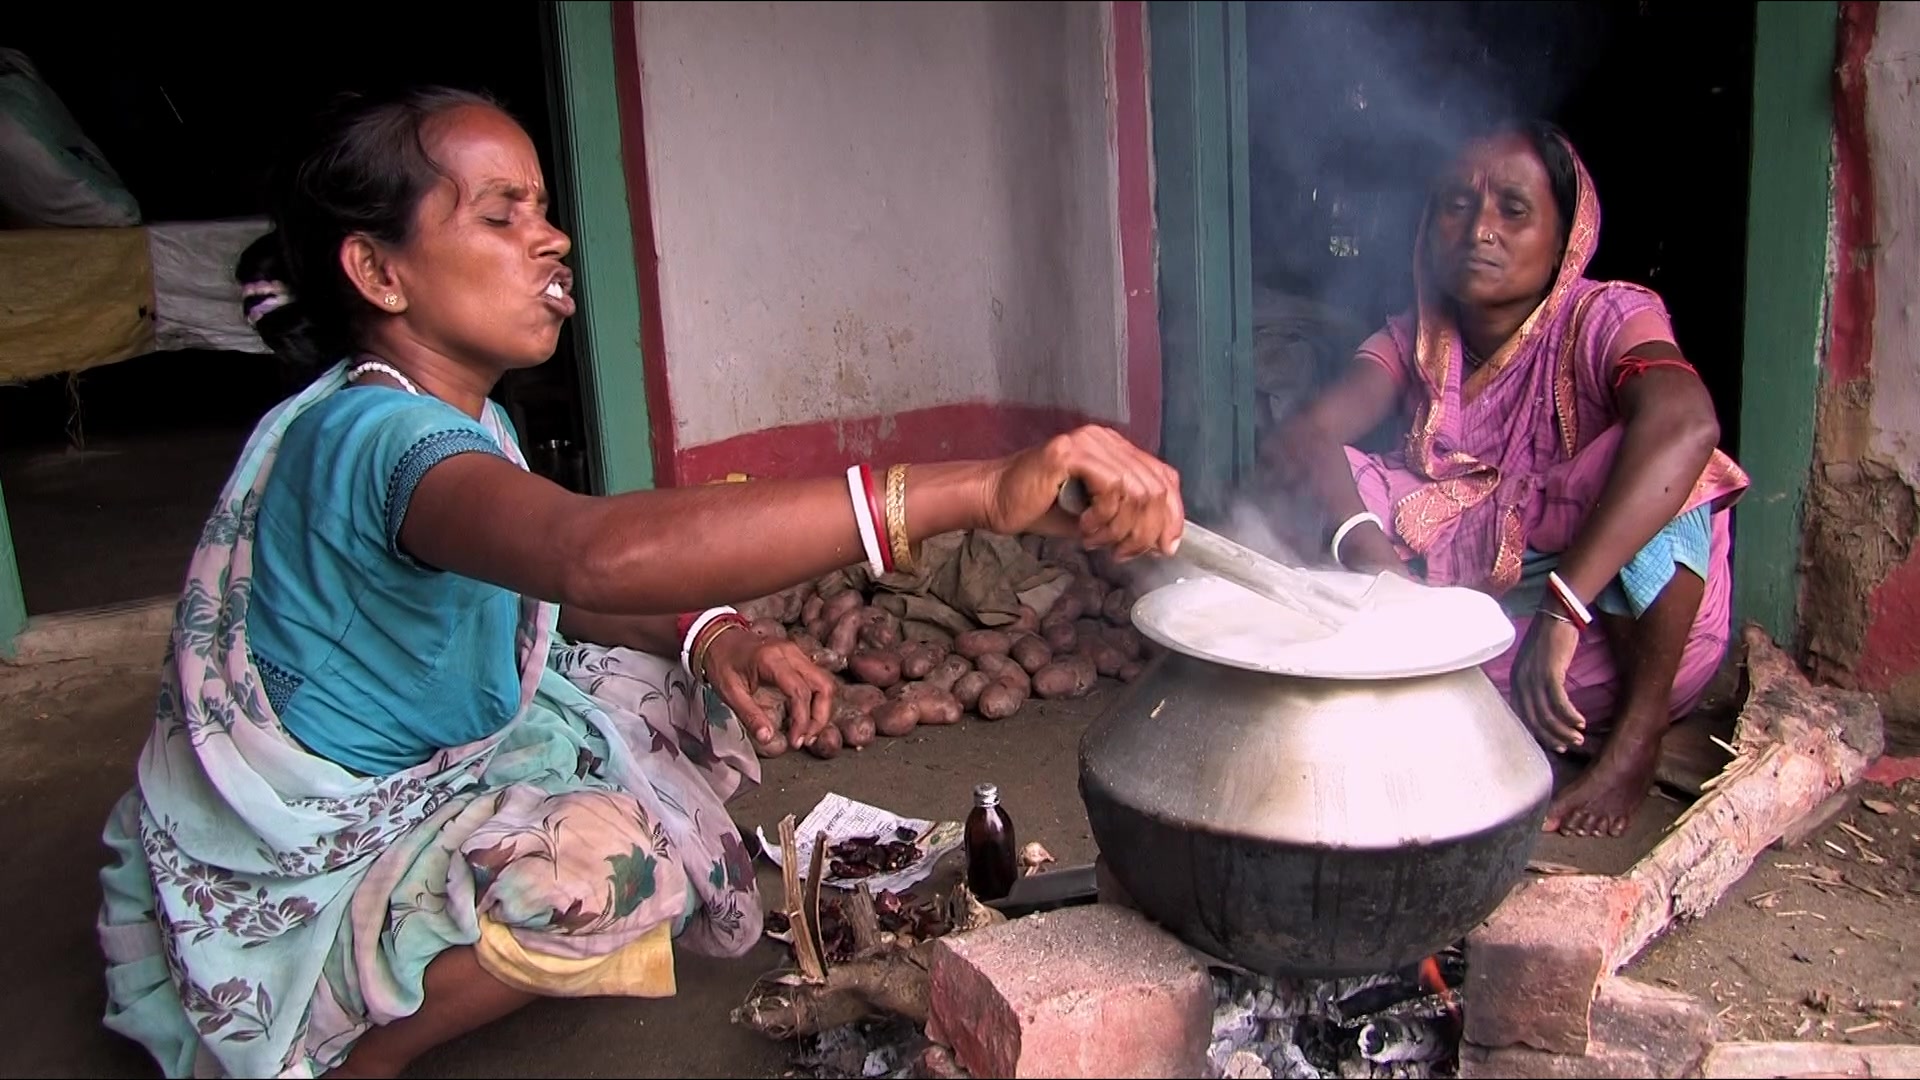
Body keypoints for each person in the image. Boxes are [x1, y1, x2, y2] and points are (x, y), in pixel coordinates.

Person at [96, 86, 1185, 1080]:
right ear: (378, 272)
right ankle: (359, 1057)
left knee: (670, 692)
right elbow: (584, 553)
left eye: (542, 207)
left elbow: (531, 595)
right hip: (318, 842)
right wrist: (969, 489)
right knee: (618, 869)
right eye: (500, 214)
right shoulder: (375, 434)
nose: (551, 236)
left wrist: (713, 636)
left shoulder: (460, 417)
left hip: (427, 764)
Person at [1262, 120, 1749, 840]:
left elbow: (1686, 425)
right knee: (1323, 486)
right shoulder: (1416, 338)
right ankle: (1431, 696)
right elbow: (1306, 437)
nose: (1479, 229)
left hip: (1600, 645)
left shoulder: (1608, 315)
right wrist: (1385, 575)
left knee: (1670, 461)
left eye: (1512, 210)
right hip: (1467, 640)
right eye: (1458, 206)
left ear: (1565, 240)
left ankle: (1635, 742)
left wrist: (1562, 607)